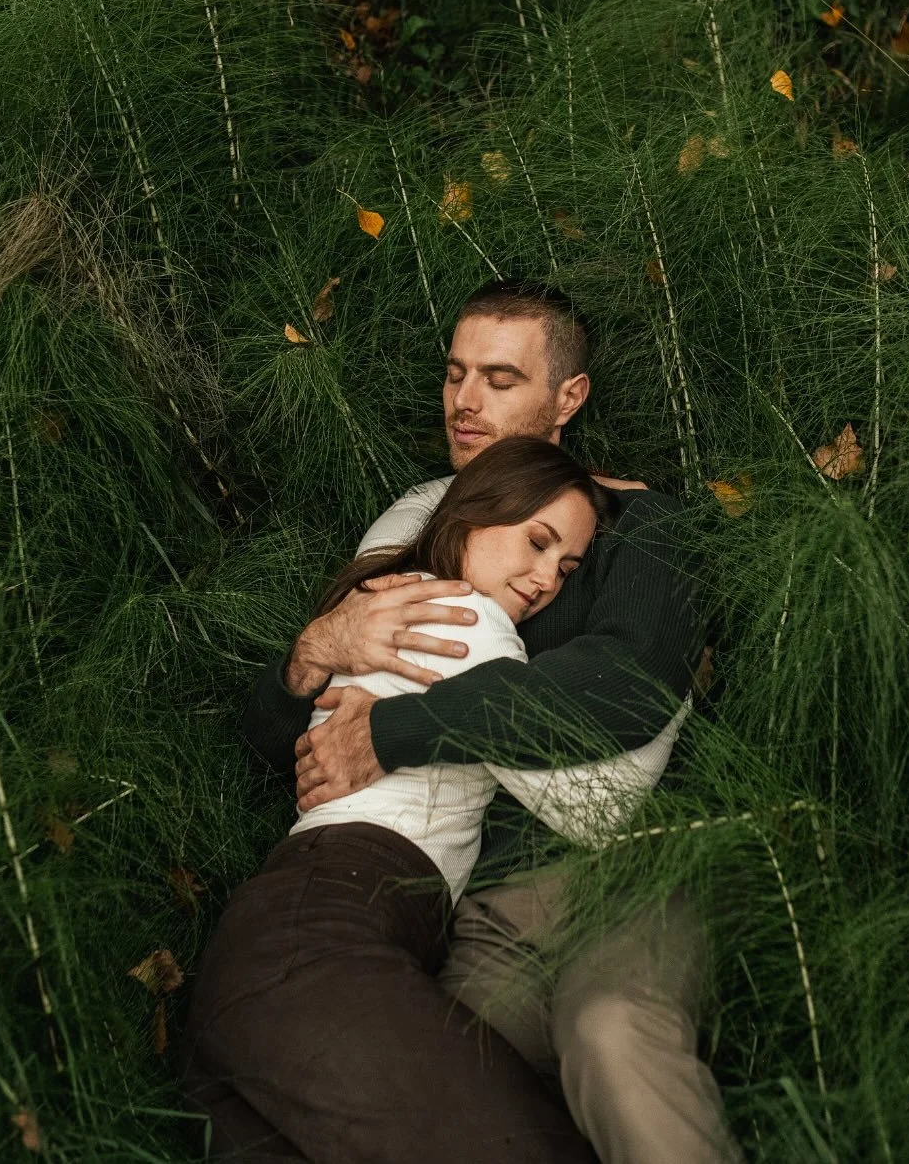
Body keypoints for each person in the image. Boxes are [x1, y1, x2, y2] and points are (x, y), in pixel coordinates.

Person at [243, 281, 741, 1164]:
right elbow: (301, 741)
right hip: (483, 907)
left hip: (624, 871)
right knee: (448, 1093)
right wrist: (311, 653)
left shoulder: (640, 522)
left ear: (568, 397)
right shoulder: (426, 530)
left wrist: (393, 732)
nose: (465, 402)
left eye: (501, 379)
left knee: (611, 1035)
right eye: (456, 374)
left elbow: (621, 686)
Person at [183, 437, 613, 1162]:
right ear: (474, 515)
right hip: (326, 924)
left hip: (294, 933)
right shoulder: (468, 621)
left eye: (566, 568)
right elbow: (586, 791)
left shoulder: (398, 600)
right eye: (537, 543)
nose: (546, 579)